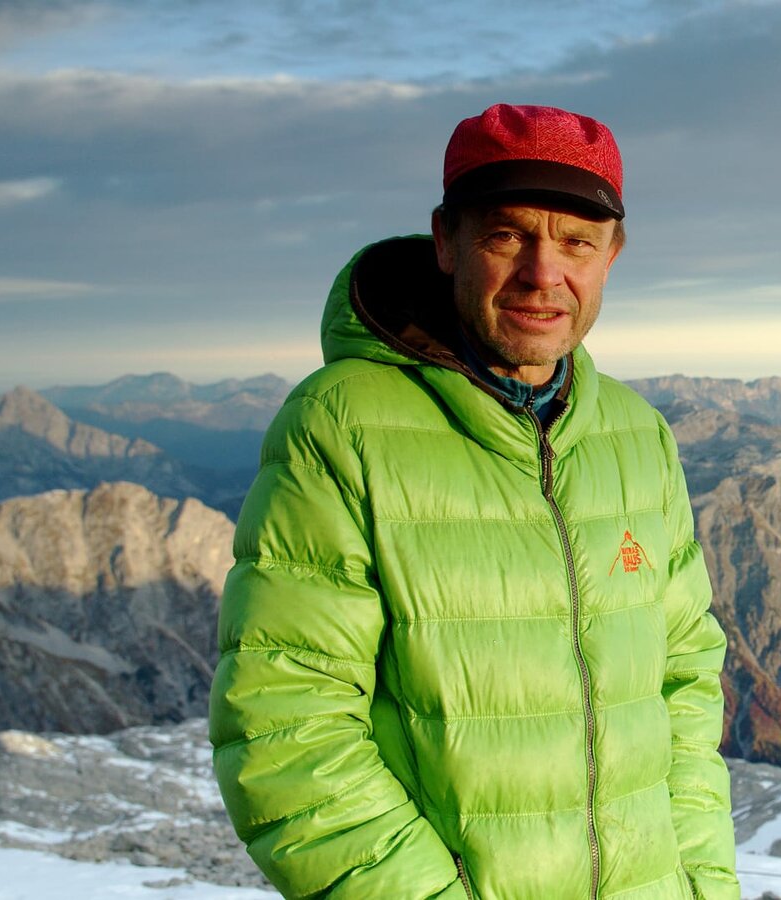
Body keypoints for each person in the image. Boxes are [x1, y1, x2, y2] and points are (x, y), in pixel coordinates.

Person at [209, 103, 738, 899]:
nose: (543, 273)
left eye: (576, 242)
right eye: (507, 236)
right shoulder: (342, 425)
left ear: (612, 255)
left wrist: (701, 884)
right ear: (446, 242)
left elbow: (685, 688)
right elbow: (286, 724)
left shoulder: (638, 436)